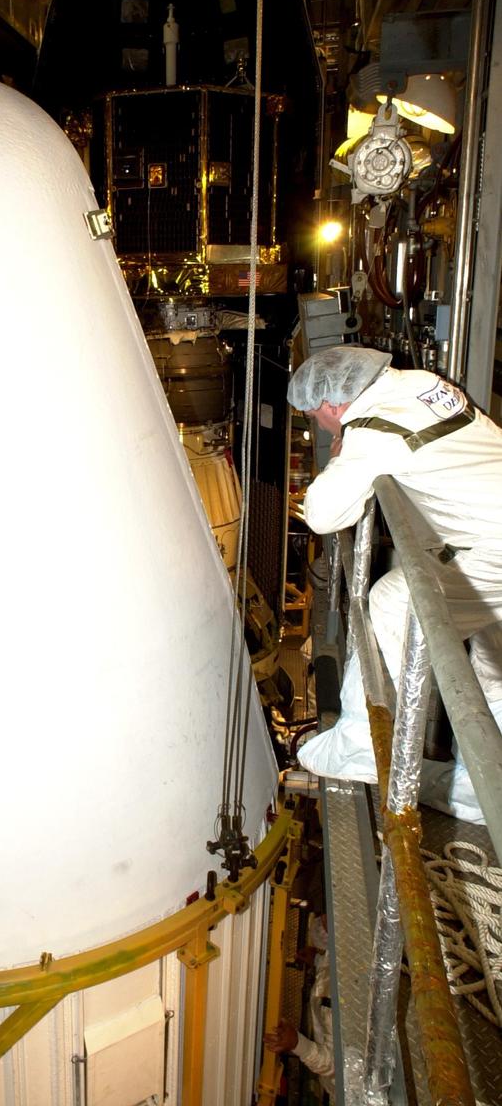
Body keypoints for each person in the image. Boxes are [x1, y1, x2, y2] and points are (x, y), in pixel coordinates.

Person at [287, 345, 502, 821]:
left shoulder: (370, 430)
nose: (319, 428)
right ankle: (481, 785)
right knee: (491, 661)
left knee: (388, 602)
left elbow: (322, 515)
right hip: (488, 531)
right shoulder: (423, 382)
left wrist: (342, 453)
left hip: (492, 549)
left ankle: (359, 748)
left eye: (313, 418)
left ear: (330, 405)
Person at [265, 913, 334, 1099]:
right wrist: (318, 961)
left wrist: (297, 1043)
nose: (323, 920)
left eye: (327, 920)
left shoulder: (335, 991)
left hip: (344, 1089)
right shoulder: (338, 958)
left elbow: (333, 1063)